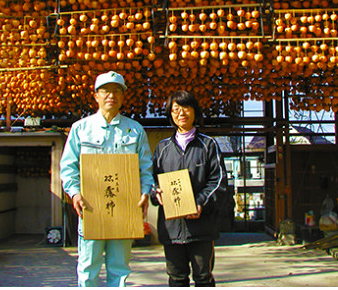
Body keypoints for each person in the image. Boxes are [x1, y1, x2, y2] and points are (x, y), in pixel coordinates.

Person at [60, 71, 153, 287]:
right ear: (96, 96)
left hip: (123, 209)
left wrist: (145, 192)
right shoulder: (80, 129)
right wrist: (74, 193)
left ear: (123, 96)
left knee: (119, 269)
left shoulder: (135, 130)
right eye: (106, 91)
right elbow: (68, 167)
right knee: (87, 268)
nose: (111, 95)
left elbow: (145, 168)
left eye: (117, 91)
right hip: (91, 209)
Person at [151, 90, 228, 287]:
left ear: (195, 111)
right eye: (175, 109)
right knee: (176, 277)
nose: (181, 113)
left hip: (201, 227)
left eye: (186, 107)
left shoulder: (208, 145)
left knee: (203, 276)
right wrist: (155, 193)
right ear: (170, 114)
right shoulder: (162, 148)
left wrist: (200, 203)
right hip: (172, 228)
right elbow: (152, 180)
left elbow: (218, 181)